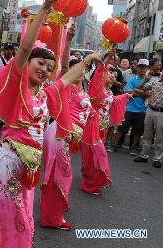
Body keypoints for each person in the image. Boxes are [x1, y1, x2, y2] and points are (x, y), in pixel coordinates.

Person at [0, 0, 100, 247]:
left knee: (22, 218)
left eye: (49, 67)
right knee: (15, 221)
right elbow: (25, 48)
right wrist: (45, 9)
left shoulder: (45, 94)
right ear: (26, 64)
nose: (45, 70)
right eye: (40, 63)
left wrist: (88, 61)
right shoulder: (16, 87)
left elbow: (66, 78)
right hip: (9, 161)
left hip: (29, 167)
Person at [40, 24, 103, 231]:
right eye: (78, 68)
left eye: (82, 70)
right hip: (59, 134)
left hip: (67, 137)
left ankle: (53, 211)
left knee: (63, 174)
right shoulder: (65, 89)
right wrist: (68, 41)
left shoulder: (83, 92)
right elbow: (65, 68)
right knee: (59, 174)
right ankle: (51, 217)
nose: (79, 72)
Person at [80, 50, 130, 196]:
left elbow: (114, 101)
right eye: (110, 73)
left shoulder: (108, 91)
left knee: (95, 156)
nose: (113, 76)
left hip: (103, 128)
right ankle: (89, 184)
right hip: (93, 126)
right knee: (97, 155)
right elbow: (100, 72)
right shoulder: (96, 89)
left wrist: (127, 95)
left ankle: (94, 179)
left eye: (114, 75)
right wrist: (107, 59)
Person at [109, 59, 149, 154]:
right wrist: (143, 93)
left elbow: (149, 93)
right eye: (140, 67)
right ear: (138, 68)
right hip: (129, 108)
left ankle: (133, 147)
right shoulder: (132, 79)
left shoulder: (150, 80)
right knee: (121, 128)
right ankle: (115, 144)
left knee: (138, 130)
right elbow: (127, 92)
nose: (142, 69)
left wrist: (136, 91)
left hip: (143, 110)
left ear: (147, 69)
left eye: (144, 67)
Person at [134, 68, 163, 168]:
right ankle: (144, 155)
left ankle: (157, 158)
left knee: (160, 137)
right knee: (147, 134)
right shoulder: (155, 82)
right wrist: (146, 79)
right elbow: (141, 88)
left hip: (161, 113)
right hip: (150, 110)